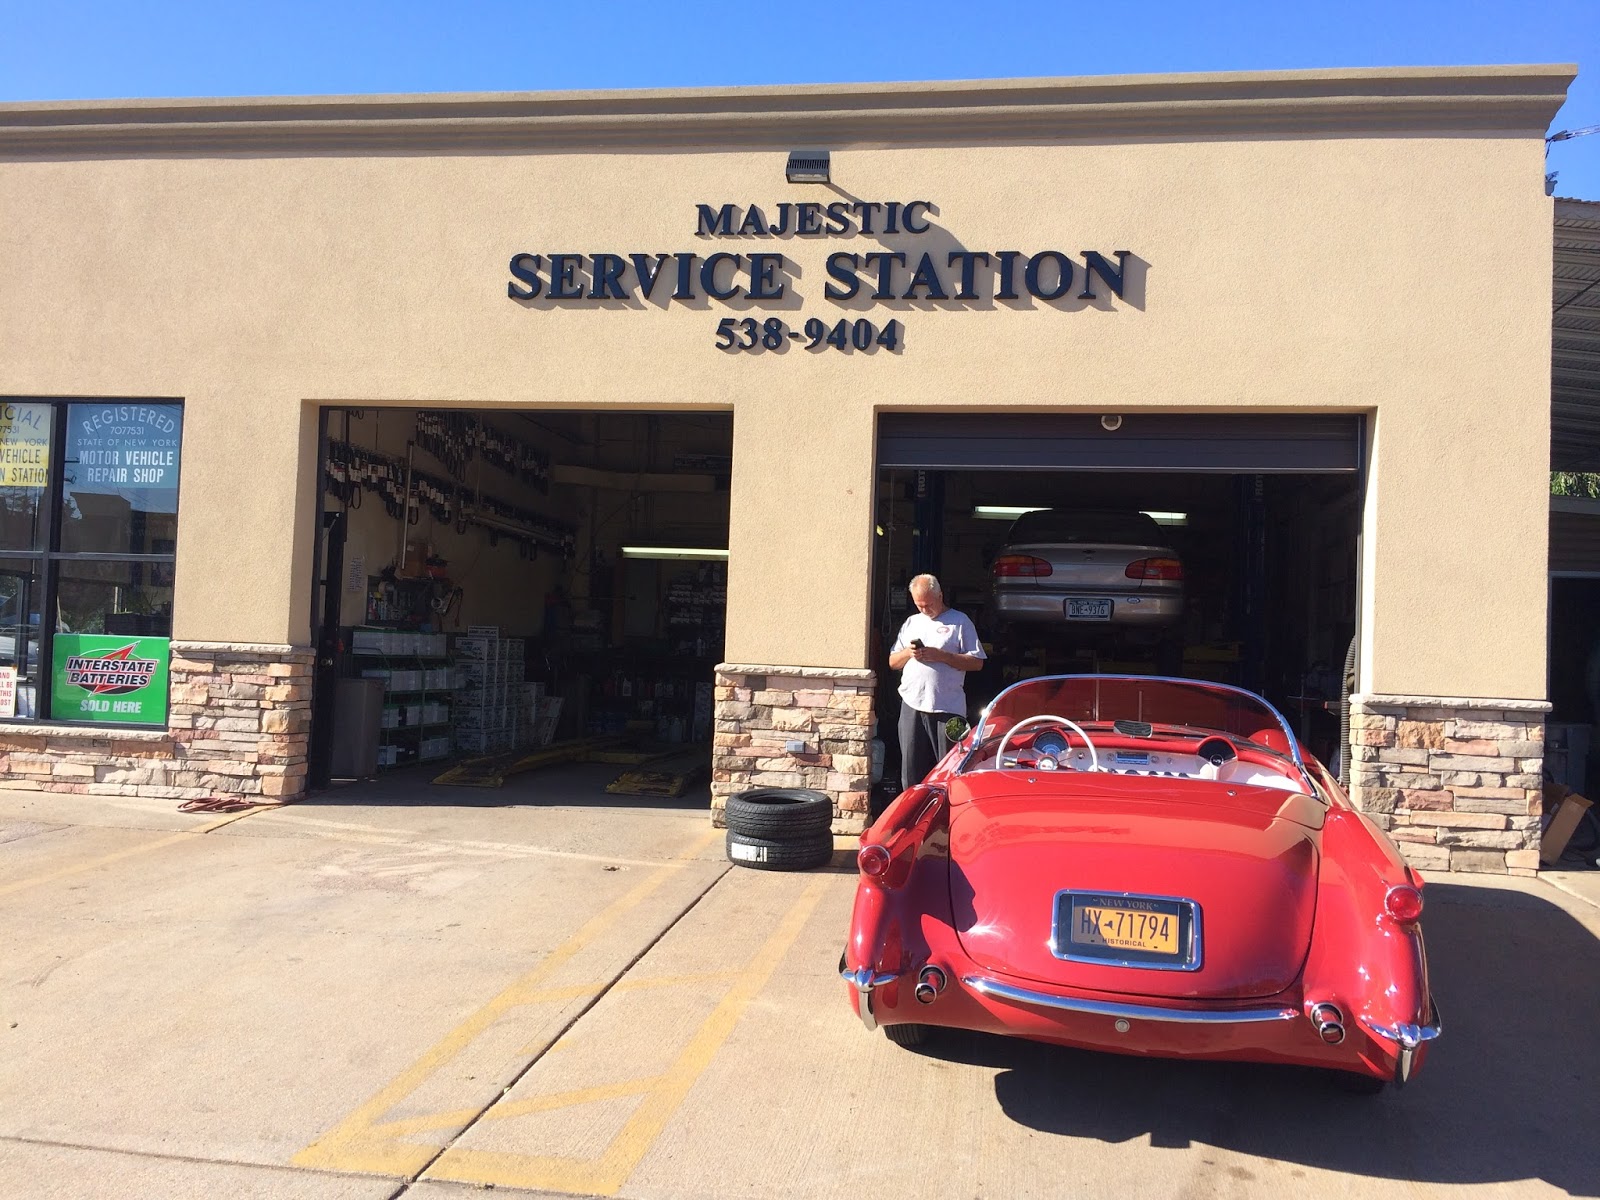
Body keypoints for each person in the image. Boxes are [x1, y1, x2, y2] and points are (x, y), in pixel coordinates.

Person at [889, 574, 986, 790]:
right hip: (912, 704)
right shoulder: (911, 622)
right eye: (919, 605)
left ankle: (949, 817)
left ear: (940, 595)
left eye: (928, 604)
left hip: (949, 708)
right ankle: (914, 817)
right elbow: (893, 662)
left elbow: (977, 663)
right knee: (910, 771)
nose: (924, 610)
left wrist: (942, 656)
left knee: (951, 768)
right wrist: (909, 652)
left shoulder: (960, 622)